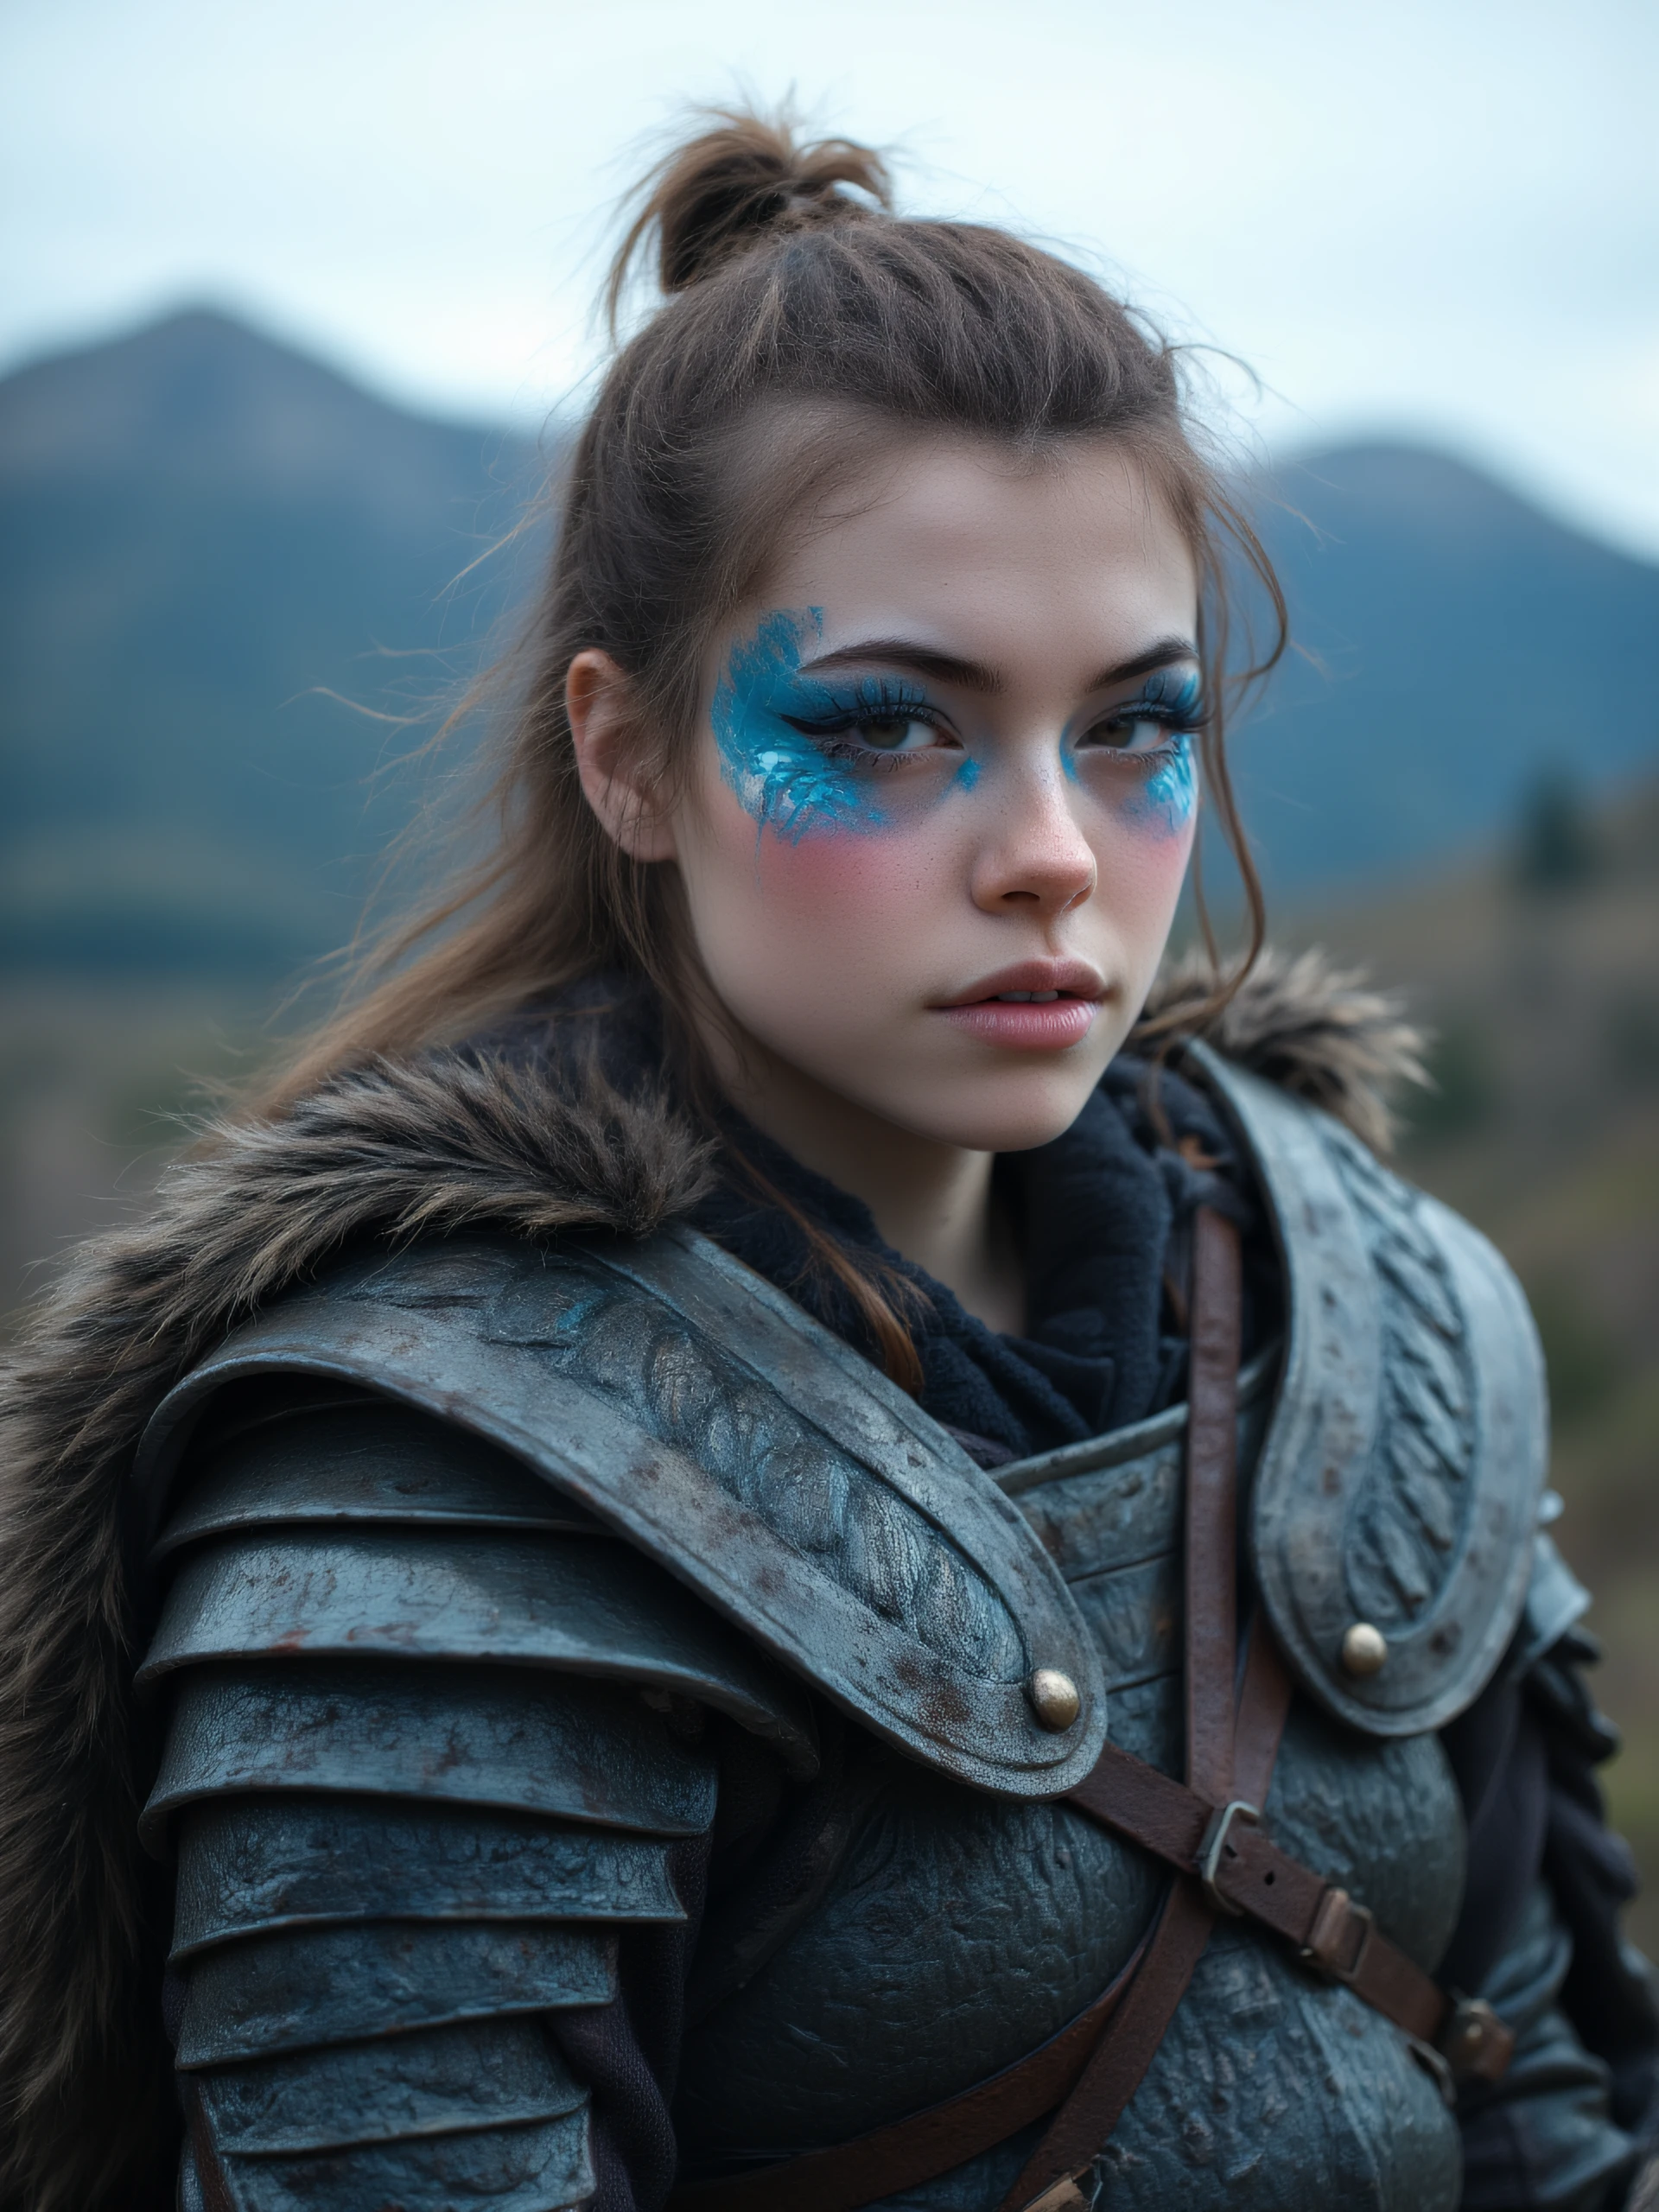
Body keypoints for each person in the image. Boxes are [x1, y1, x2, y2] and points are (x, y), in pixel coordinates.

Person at [0, 109, 1654, 2212]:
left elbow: (1535, 2109)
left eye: (1136, 725)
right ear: (627, 753)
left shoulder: (1372, 1305)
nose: (1053, 848)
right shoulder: (428, 1495)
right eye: (886, 724)